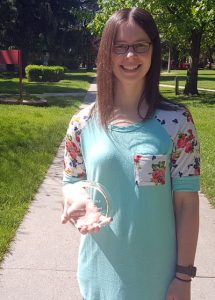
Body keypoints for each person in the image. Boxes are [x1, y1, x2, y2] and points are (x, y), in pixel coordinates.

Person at [61, 7, 200, 300]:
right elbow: (71, 182)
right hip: (98, 274)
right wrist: (78, 202)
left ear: (153, 50)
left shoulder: (177, 123)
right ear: (105, 54)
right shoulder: (82, 123)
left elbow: (187, 204)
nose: (130, 56)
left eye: (140, 46)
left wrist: (183, 276)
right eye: (119, 47)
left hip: (158, 280)